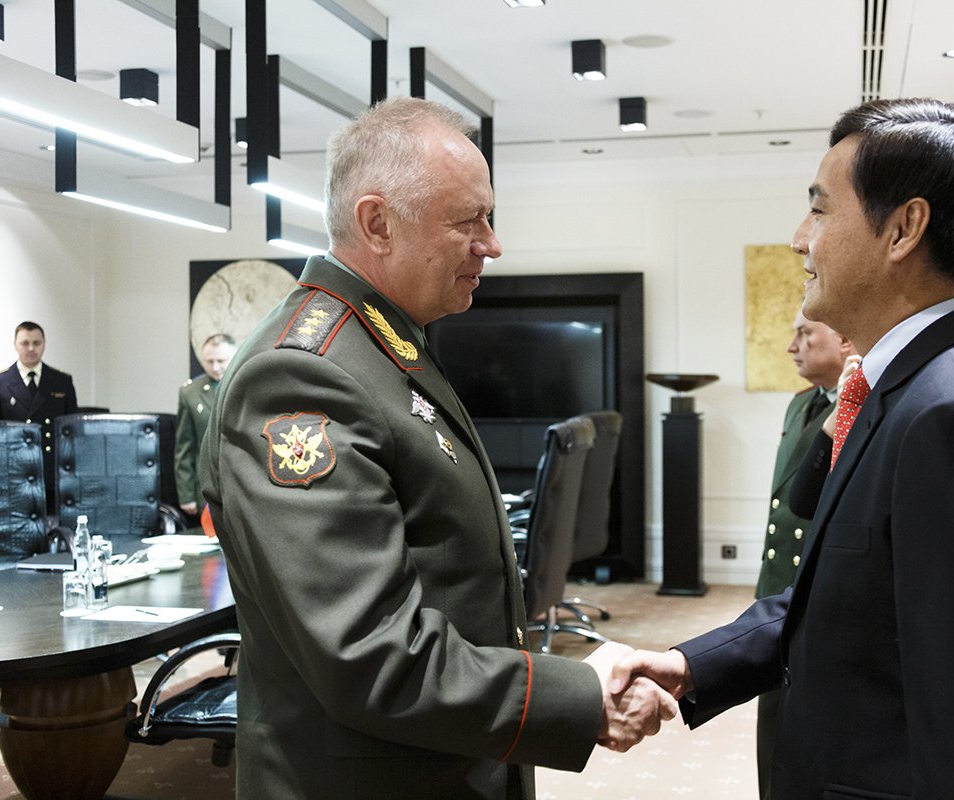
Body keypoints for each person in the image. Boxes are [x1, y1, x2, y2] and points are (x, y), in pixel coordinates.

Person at [197, 97, 674, 800]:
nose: (492, 244)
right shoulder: (303, 374)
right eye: (467, 220)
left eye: (489, 217)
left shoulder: (382, 342)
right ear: (377, 223)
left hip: (446, 759)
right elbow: (367, 652)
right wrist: (575, 697)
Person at [611, 97, 954, 799]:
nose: (800, 239)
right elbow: (851, 602)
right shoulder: (915, 389)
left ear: (903, 230)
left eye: (820, 210)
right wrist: (692, 664)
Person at [752, 309, 852, 798]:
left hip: (821, 592)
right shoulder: (801, 406)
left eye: (805, 333)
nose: (793, 346)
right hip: (777, 591)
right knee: (771, 725)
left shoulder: (864, 409)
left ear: (845, 339)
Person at [0, 321, 78, 510]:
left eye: (36, 343)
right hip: (15, 472)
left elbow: (72, 430)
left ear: (44, 344)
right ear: (15, 345)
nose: (31, 348)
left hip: (51, 472)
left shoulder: (61, 381)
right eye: (25, 343)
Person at [173, 333, 235, 520]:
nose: (215, 367)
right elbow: (184, 448)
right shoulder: (190, 392)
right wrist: (186, 495)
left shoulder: (246, 385)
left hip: (239, 482)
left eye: (221, 361)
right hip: (207, 487)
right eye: (209, 361)